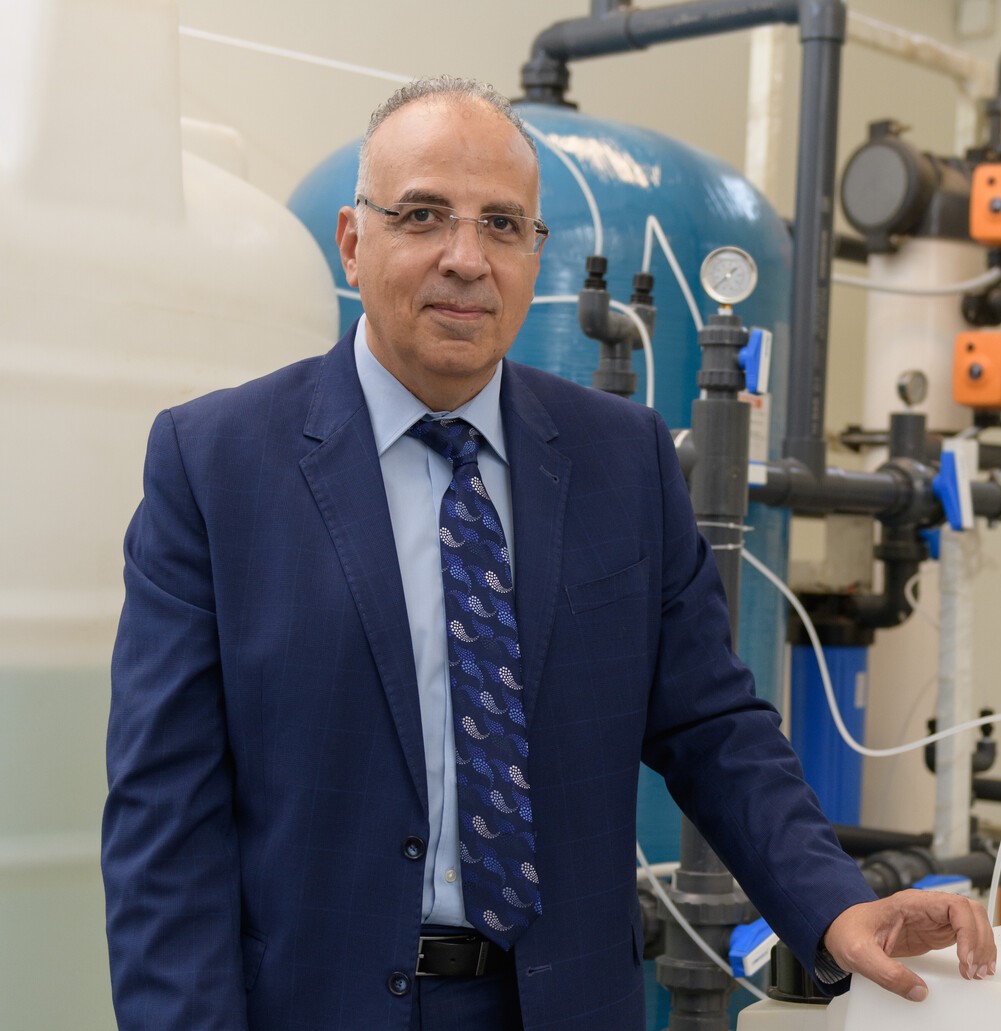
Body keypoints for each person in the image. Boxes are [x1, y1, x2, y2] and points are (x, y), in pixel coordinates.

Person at [102, 75, 996, 1031]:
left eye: (501, 225)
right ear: (353, 242)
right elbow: (165, 819)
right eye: (423, 215)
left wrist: (835, 902)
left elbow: (713, 725)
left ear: (537, 254)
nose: (465, 258)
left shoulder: (623, 456)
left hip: (563, 1003)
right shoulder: (218, 464)